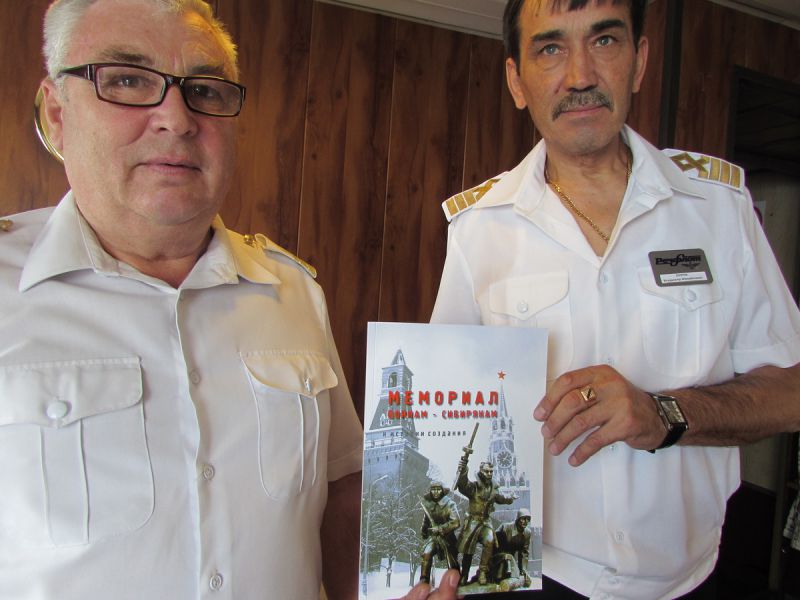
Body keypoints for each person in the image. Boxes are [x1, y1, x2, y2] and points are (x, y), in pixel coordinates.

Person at [430, 0, 800, 598]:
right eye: (551, 48)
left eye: (604, 41)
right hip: (535, 578)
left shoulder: (719, 210)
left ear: (639, 62)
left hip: (692, 580)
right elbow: (445, 420)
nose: (580, 75)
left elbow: (791, 392)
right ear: (517, 82)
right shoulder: (480, 228)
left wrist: (665, 414)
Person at [0, 1, 364, 598]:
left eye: (204, 90)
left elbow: (341, 491)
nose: (177, 118)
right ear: (57, 114)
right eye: (126, 80)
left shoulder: (293, 292)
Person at [454, 460, 515, 586]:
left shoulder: (494, 488)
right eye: (486, 471)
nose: (489, 474)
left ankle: (482, 572)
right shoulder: (474, 487)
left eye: (491, 471)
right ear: (481, 471)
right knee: (468, 550)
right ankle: (464, 574)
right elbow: (463, 485)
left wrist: (510, 498)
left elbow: (500, 498)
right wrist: (463, 470)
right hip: (472, 522)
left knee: (489, 541)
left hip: (486, 522)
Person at [419, 481, 461, 584]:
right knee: (426, 553)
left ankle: (455, 581)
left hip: (448, 538)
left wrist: (440, 528)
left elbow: (456, 522)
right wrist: (424, 530)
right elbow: (426, 520)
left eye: (438, 489)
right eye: (433, 489)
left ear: (442, 491)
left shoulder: (449, 504)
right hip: (435, 539)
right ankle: (424, 581)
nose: (436, 492)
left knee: (451, 561)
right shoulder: (429, 505)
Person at [491, 508, 533, 588]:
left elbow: (524, 553)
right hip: (498, 556)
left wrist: (524, 570)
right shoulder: (506, 527)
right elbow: (494, 542)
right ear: (518, 519)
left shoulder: (527, 533)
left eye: (528, 519)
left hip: (511, 559)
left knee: (515, 573)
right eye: (523, 519)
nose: (526, 521)